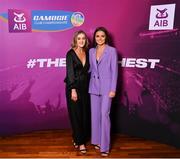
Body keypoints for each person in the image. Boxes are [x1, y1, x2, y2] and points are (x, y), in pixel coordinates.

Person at [88, 27, 118, 156]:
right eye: (97, 36)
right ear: (94, 38)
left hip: (107, 88)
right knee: (95, 116)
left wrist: (113, 89)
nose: (100, 38)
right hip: (93, 87)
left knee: (104, 115)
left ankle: (105, 147)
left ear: (106, 37)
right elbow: (90, 69)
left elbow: (114, 71)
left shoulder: (112, 51)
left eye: (102, 36)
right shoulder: (91, 51)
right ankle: (97, 141)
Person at [64, 30, 90, 154]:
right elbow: (69, 73)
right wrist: (73, 90)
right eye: (79, 38)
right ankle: (80, 143)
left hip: (85, 87)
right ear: (75, 40)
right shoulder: (70, 54)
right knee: (76, 115)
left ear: (85, 40)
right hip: (73, 87)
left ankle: (76, 137)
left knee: (84, 114)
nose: (81, 40)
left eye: (83, 38)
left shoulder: (87, 52)